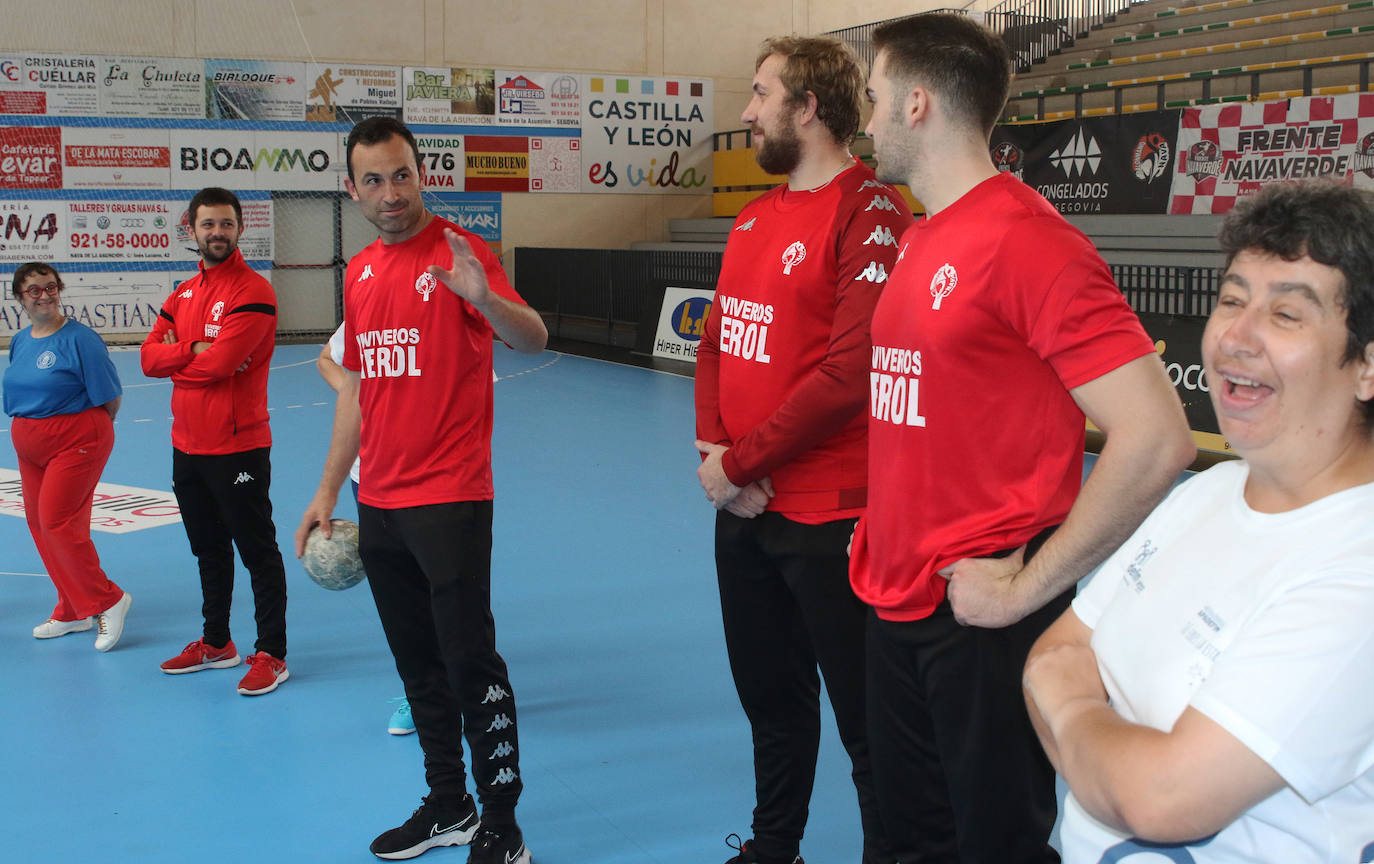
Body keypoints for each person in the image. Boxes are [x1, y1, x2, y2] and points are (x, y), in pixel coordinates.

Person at [851, 12, 1195, 862]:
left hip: (980, 616)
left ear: (918, 104)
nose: (865, 119)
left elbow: (1156, 438)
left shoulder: (1027, 241)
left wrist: (1021, 589)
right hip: (897, 599)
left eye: (873, 97)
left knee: (997, 844)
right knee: (903, 840)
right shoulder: (925, 234)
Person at [1024, 181, 1374, 863]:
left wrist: (1073, 714)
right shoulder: (1205, 495)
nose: (1236, 337)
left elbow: (1161, 798)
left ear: (1365, 367)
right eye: (1233, 300)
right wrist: (1110, 757)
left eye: (1287, 315)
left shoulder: (1358, 566)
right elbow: (1050, 655)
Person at [296, 116, 546, 863]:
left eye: (400, 174)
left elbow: (532, 337)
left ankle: (503, 824)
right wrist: (325, 493)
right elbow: (355, 394)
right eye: (372, 179)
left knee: (472, 664)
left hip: (450, 498)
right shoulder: (363, 271)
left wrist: (485, 299)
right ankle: (449, 805)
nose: (390, 191)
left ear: (421, 173)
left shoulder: (461, 253)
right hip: (380, 503)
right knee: (416, 667)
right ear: (352, 190)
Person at [693, 35, 913, 864]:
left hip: (832, 516)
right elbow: (714, 340)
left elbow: (851, 372)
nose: (747, 112)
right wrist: (714, 453)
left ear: (808, 107)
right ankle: (773, 845)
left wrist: (739, 465)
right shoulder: (753, 217)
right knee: (772, 703)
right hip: (743, 509)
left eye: (760, 93)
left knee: (867, 722)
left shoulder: (871, 209)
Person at [140, 186, 290, 696]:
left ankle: (271, 652)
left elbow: (222, 364)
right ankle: (217, 643)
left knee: (257, 551)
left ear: (240, 228)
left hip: (238, 447)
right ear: (192, 228)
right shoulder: (182, 294)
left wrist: (179, 360)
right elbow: (145, 359)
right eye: (208, 225)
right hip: (188, 447)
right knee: (208, 549)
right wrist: (194, 350)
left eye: (226, 224)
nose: (218, 233)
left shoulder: (253, 291)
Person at [4, 263, 131, 652]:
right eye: (34, 291)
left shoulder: (81, 340)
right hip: (30, 447)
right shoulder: (20, 340)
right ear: (20, 298)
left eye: (50, 287)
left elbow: (111, 399)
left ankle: (108, 599)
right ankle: (74, 608)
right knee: (41, 526)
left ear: (59, 289)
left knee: (56, 522)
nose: (44, 296)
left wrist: (82, 434)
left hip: (76, 439)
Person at [317, 323, 414, 737]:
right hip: (368, 476)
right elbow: (325, 358)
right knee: (399, 592)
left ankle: (459, 687)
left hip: (431, 478)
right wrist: (353, 392)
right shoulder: (368, 298)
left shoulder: (443, 310)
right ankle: (420, 689)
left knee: (441, 590)